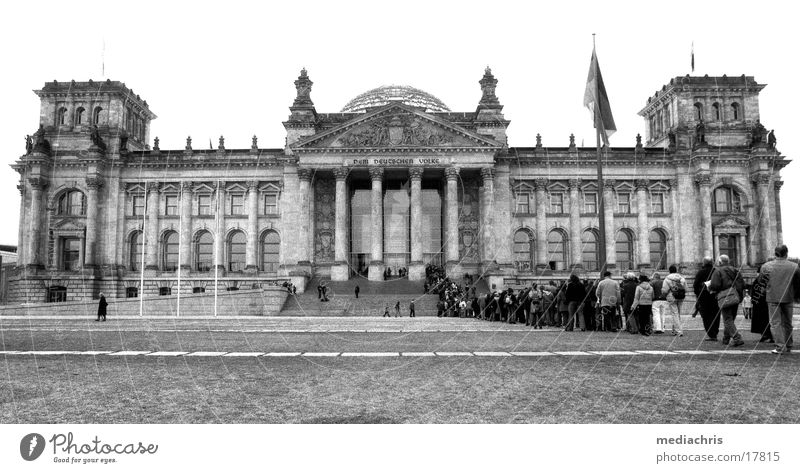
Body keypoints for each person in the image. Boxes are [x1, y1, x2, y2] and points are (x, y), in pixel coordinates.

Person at [759, 244, 800, 354]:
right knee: (787, 322)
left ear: (775, 253)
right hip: (788, 296)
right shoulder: (794, 266)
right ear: (786, 253)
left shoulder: (766, 266)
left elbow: (761, 282)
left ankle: (780, 346)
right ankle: (789, 344)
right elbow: (797, 283)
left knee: (775, 323)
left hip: (772, 296)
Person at [709, 254, 745, 347]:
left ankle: (737, 338)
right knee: (731, 318)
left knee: (727, 319)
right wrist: (739, 296)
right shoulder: (735, 270)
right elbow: (742, 284)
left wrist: (710, 287)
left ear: (720, 262)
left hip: (725, 297)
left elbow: (715, 285)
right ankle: (726, 338)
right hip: (735, 296)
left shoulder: (718, 271)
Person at [694, 256, 721, 341]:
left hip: (704, 297)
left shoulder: (700, 272)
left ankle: (711, 334)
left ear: (704, 263)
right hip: (716, 297)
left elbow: (695, 285)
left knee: (706, 316)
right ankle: (715, 333)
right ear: (712, 263)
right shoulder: (717, 271)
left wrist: (698, 294)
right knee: (716, 315)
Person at [749, 265, 774, 344]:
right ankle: (766, 335)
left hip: (761, 303)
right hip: (761, 302)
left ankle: (767, 335)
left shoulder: (761, 279)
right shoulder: (769, 279)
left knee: (763, 320)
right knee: (765, 320)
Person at [662, 265, 687, 336]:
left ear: (669, 271)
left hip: (671, 297)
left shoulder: (667, 279)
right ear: (676, 270)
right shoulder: (682, 278)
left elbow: (664, 290)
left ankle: (679, 331)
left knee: (674, 314)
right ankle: (675, 330)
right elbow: (686, 289)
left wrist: (664, 294)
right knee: (678, 313)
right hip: (681, 297)